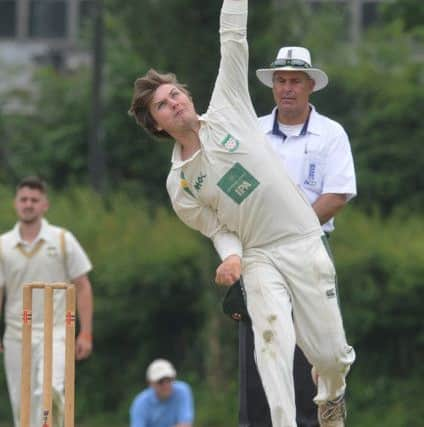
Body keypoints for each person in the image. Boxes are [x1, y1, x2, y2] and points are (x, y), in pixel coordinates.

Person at [128, 1, 355, 426]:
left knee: (329, 354)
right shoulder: (180, 184)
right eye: (162, 105)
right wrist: (231, 256)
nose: (174, 103)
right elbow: (219, 230)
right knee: (271, 345)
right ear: (156, 125)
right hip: (258, 256)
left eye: (175, 93)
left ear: (188, 96)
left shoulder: (229, 106)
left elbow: (233, 36)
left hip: (304, 241)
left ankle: (332, 396)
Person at [237, 46, 357, 427]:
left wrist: (290, 229)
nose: (287, 88)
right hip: (257, 248)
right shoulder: (251, 132)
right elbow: (235, 186)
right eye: (281, 80)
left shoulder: (331, 133)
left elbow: (336, 195)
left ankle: (318, 418)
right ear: (273, 86)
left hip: (308, 247)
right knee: (263, 340)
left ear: (310, 87)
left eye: (295, 81)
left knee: (316, 347)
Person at [0, 176, 94, 427]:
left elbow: (82, 286)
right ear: (16, 203)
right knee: (22, 407)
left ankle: (56, 418)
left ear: (45, 205)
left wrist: (85, 333)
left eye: (34, 200)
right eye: (24, 199)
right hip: (17, 334)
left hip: (57, 330)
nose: (28, 204)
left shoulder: (62, 239)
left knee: (48, 390)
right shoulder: (3, 245)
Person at [129, 358, 194, 427]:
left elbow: (186, 424)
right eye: (160, 381)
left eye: (169, 380)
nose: (166, 385)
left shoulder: (182, 391)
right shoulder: (140, 403)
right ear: (150, 383)